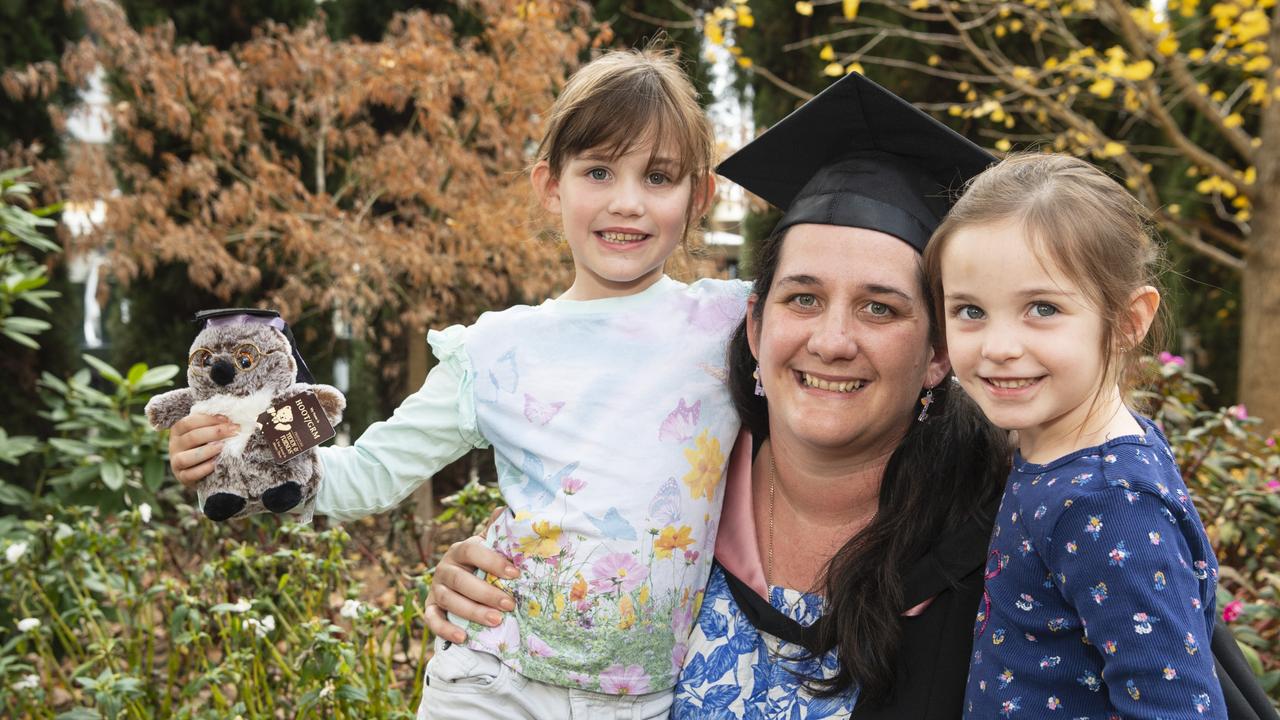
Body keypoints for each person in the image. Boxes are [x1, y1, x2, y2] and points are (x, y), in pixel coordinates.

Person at [167, 47, 749, 719]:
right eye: (597, 171)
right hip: (492, 683)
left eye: (659, 177)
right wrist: (237, 453)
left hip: (641, 702)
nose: (627, 201)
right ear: (551, 187)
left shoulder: (731, 325)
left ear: (699, 195)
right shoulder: (496, 351)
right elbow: (371, 472)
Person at [425, 71, 1013, 719]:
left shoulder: (996, 561)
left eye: (879, 308)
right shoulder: (676, 493)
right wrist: (491, 583)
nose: (832, 340)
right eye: (803, 298)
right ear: (755, 326)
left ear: (937, 355)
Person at [923, 153, 1226, 718]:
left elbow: (1177, 707)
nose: (998, 347)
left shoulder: (1106, 499)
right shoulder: (1057, 449)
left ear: (1129, 322)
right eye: (970, 310)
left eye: (1042, 308)